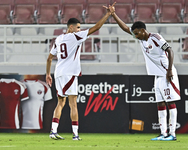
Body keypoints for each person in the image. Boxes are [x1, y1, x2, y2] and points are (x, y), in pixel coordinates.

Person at [106, 4, 180, 141]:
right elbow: (125, 28)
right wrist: (113, 15)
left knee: (170, 103)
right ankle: (163, 133)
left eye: (136, 33)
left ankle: (173, 134)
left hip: (166, 73)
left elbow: (170, 50)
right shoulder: (141, 40)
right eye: (134, 34)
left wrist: (169, 70)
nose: (135, 36)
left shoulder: (155, 38)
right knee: (160, 104)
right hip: (157, 76)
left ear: (142, 30)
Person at [46, 3, 115, 140]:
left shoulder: (58, 39)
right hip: (70, 73)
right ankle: (75, 134)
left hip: (58, 72)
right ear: (71, 27)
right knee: (73, 104)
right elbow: (96, 27)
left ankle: (53, 131)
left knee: (60, 103)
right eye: (77, 27)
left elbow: (49, 58)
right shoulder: (75, 36)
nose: (79, 30)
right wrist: (108, 14)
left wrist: (48, 74)